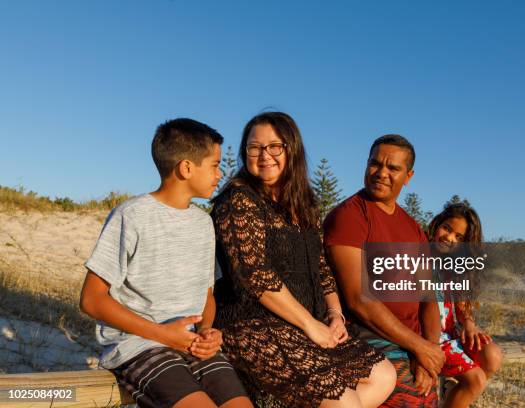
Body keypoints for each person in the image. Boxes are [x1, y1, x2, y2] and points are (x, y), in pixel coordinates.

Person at [211, 112, 396, 408]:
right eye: (254, 147)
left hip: (305, 323)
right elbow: (255, 275)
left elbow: (321, 268)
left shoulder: (304, 203)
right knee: (344, 403)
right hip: (254, 324)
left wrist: (335, 314)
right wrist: (310, 325)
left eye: (274, 146)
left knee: (384, 376)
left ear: (291, 149)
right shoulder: (239, 200)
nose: (264, 155)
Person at [80, 118, 252, 408]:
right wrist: (164, 335)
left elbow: (206, 295)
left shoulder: (202, 224)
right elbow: (92, 299)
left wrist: (207, 329)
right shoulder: (131, 215)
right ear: (186, 168)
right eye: (214, 164)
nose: (219, 173)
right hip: (140, 346)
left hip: (192, 345)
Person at [324, 134, 443, 407]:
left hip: (410, 341)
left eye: (393, 168)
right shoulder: (351, 216)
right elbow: (358, 300)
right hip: (366, 335)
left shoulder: (413, 228)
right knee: (410, 397)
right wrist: (419, 347)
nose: (382, 173)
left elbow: (428, 298)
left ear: (408, 176)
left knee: (427, 395)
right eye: (375, 164)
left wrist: (429, 350)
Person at [427, 204, 503, 408]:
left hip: (450, 335)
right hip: (430, 337)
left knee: (492, 355)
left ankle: (457, 393)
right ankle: (461, 388)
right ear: (436, 225)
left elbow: (461, 306)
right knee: (476, 379)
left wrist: (469, 324)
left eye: (459, 237)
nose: (450, 238)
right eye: (447, 228)